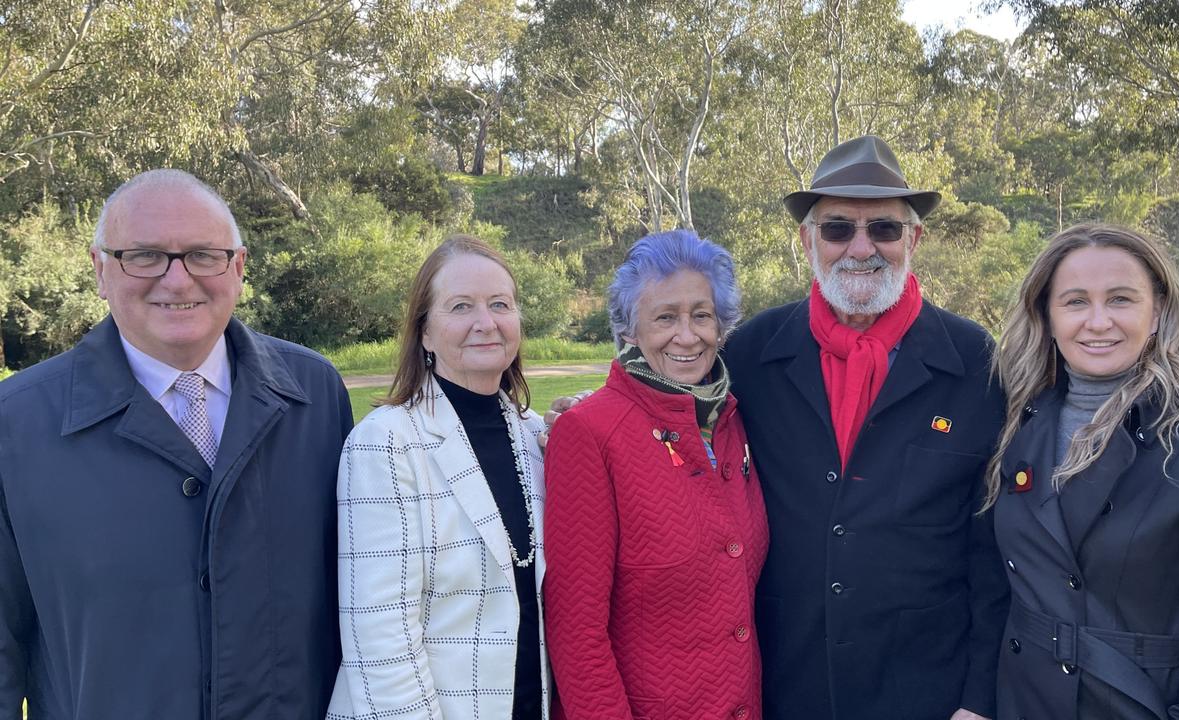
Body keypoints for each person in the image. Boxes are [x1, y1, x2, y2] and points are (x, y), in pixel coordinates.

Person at [0, 169, 353, 718]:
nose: (178, 279)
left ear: (237, 267)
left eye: (203, 255)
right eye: (143, 256)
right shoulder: (16, 425)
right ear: (100, 269)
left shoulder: (316, 395)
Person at [721, 135, 1008, 719]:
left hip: (927, 688)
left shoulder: (976, 360)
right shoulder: (752, 353)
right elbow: (677, 416)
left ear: (914, 239)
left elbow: (995, 547)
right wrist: (591, 411)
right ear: (808, 241)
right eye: (836, 230)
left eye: (883, 228)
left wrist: (979, 701)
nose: (860, 248)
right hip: (786, 682)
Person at [986, 223, 1179, 720]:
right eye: (1075, 301)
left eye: (1120, 299)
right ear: (1047, 315)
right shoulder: (1017, 419)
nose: (1098, 322)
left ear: (1158, 310)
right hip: (1024, 702)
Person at [543, 229, 768, 720]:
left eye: (701, 315)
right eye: (665, 317)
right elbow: (574, 629)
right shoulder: (589, 433)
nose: (686, 336)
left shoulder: (732, 420)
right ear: (630, 330)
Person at [326, 235, 549, 720]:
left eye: (499, 304)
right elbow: (380, 634)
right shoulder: (386, 442)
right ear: (424, 332)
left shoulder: (536, 437)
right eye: (461, 306)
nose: (485, 323)